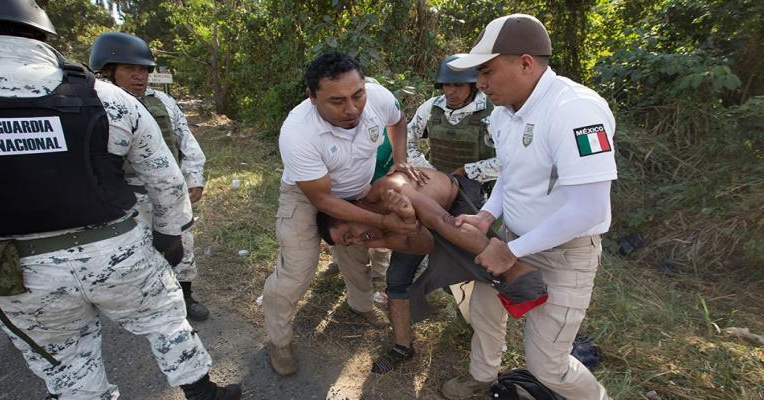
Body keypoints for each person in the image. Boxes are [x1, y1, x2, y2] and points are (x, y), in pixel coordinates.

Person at [0, 2, 240, 399]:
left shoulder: (140, 100)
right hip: (117, 248)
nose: (141, 76)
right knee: (166, 321)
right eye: (132, 68)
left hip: (19, 271)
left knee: (66, 361)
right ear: (42, 34)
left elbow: (183, 154)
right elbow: (166, 180)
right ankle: (204, 394)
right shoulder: (106, 98)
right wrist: (169, 237)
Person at [443, 14, 617, 399]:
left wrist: (511, 252)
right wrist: (489, 215)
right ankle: (482, 377)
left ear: (525, 63)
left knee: (549, 364)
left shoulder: (576, 112)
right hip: (510, 236)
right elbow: (510, 173)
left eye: (487, 71)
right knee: (486, 312)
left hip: (563, 252)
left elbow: (588, 209)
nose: (480, 83)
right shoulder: (506, 112)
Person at [262, 51, 422, 377]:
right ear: (312, 97)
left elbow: (398, 121)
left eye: (357, 95)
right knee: (297, 270)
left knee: (354, 249)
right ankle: (278, 340)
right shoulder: (297, 133)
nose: (352, 109)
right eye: (337, 101)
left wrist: (400, 158)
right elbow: (323, 200)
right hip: (307, 195)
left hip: (357, 190)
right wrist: (380, 221)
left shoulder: (377, 98)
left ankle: (361, 304)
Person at [316, 168, 546, 374]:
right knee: (396, 280)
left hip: (457, 205)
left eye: (349, 234)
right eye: (349, 243)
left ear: (352, 212)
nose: (357, 240)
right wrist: (409, 223)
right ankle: (402, 348)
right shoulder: (370, 236)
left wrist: (409, 215)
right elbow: (423, 245)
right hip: (427, 226)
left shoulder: (389, 189)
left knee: (486, 271)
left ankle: (517, 272)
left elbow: (441, 220)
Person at [88, 32, 211, 321]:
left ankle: (185, 295)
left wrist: (194, 177)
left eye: (144, 69)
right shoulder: (95, 105)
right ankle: (144, 304)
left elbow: (186, 140)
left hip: (168, 191)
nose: (139, 76)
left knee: (182, 245)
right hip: (124, 197)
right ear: (107, 70)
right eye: (130, 69)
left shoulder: (164, 102)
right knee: (133, 252)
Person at [406, 54, 498, 187]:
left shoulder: (493, 112)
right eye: (447, 85)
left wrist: (467, 171)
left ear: (472, 85)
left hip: (480, 187)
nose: (451, 91)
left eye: (459, 85)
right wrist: (426, 168)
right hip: (435, 181)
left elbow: (510, 158)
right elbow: (407, 139)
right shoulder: (432, 107)